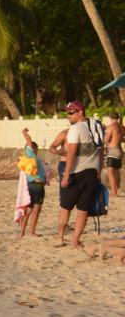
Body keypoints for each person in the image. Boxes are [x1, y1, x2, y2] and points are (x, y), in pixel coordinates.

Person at [56, 101, 104, 249]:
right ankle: (75, 241)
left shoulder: (75, 128)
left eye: (70, 112)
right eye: (67, 112)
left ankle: (60, 238)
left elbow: (71, 152)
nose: (67, 115)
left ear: (80, 112)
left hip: (76, 173)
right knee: (83, 208)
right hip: (92, 172)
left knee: (66, 206)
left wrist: (66, 174)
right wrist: (99, 171)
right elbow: (101, 151)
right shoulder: (97, 126)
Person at [17, 128, 47, 238]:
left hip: (31, 185)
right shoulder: (30, 156)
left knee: (28, 210)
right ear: (33, 149)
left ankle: (22, 233)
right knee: (36, 210)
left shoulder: (31, 160)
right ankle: (31, 232)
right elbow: (29, 141)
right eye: (36, 148)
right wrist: (24, 132)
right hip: (37, 186)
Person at [105, 113, 123, 194]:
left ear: (110, 118)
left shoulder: (111, 126)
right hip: (120, 150)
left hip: (113, 150)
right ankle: (117, 188)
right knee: (116, 171)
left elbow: (106, 139)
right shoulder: (122, 127)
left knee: (110, 171)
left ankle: (113, 191)